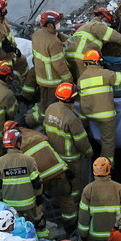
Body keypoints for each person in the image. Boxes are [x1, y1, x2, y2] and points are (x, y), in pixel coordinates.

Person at [45, 82, 92, 220]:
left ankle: (56, 203)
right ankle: (72, 211)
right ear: (70, 99)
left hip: (54, 156)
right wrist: (90, 153)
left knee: (58, 182)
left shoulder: (50, 109)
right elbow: (82, 140)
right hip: (71, 159)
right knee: (73, 188)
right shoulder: (71, 118)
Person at [77, 49, 121, 163]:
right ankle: (106, 166)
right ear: (99, 62)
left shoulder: (81, 78)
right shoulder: (106, 74)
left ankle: (89, 155)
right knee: (108, 142)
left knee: (84, 136)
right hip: (105, 116)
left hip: (88, 115)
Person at [0, 128, 47, 237]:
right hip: (30, 204)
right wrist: (39, 196)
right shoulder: (29, 160)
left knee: (15, 228)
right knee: (39, 224)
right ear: (18, 143)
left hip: (10, 205)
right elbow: (36, 182)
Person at [18, 120, 73, 223]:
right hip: (59, 171)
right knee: (66, 197)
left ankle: (43, 225)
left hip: (41, 179)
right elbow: (52, 152)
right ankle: (71, 226)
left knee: (37, 204)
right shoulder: (36, 135)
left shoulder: (16, 147)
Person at [78, 157, 121, 241]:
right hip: (114, 233)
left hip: (94, 233)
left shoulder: (88, 189)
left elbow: (83, 215)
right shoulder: (119, 188)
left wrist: (83, 234)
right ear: (109, 169)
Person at [64, 7, 121, 78]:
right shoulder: (97, 25)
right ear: (100, 16)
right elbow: (116, 37)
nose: (108, 23)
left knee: (79, 80)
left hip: (70, 59)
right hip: (82, 58)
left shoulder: (85, 27)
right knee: (88, 80)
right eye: (107, 20)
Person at [32, 9, 71, 112]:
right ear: (50, 25)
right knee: (52, 108)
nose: (59, 25)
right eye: (57, 23)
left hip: (41, 78)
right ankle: (48, 124)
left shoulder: (36, 35)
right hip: (52, 81)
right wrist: (69, 80)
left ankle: (33, 120)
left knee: (43, 104)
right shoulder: (54, 42)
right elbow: (60, 66)